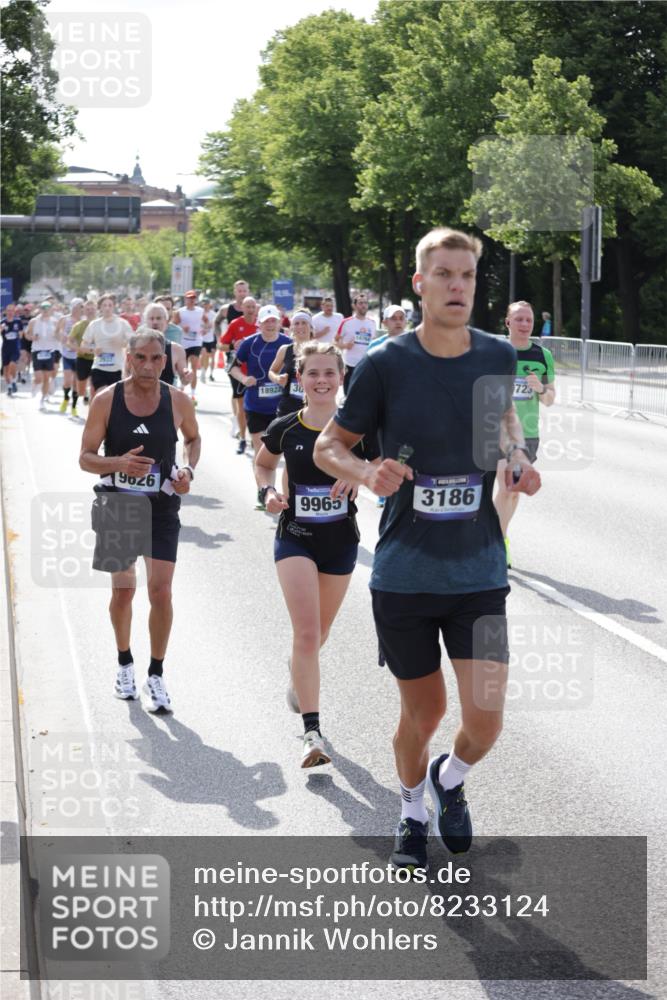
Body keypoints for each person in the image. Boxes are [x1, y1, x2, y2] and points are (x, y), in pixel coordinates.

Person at [314, 226, 541, 873]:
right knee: (425, 710)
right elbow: (330, 445)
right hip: (405, 577)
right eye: (442, 274)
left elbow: (500, 423)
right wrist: (365, 473)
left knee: (486, 718)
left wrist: (515, 457)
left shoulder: (496, 355)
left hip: (479, 571)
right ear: (419, 283)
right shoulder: (385, 363)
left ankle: (448, 778)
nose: (455, 286)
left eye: (466, 276)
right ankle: (411, 809)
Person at [255, 343, 378, 767]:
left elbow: (389, 463)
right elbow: (263, 463)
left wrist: (359, 477)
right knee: (307, 634)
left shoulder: (359, 429)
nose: (321, 380)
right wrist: (267, 491)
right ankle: (313, 734)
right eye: (313, 373)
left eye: (329, 372)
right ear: (299, 378)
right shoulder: (286, 426)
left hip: (341, 541)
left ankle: (297, 673)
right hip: (296, 537)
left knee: (318, 636)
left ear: (342, 377)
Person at [79, 328, 200, 712]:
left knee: (161, 592)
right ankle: (124, 663)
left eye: (156, 358)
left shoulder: (178, 400)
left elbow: (193, 440)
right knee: (124, 592)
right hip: (118, 506)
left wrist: (187, 471)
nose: (149, 365)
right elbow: (85, 457)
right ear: (128, 358)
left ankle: (156, 674)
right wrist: (118, 463)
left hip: (162, 507)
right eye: (141, 357)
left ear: (166, 360)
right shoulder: (106, 400)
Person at [494, 301, 555, 568]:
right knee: (506, 487)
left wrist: (540, 388)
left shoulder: (543, 356)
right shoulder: (496, 353)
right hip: (497, 431)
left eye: (528, 320)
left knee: (514, 491)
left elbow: (551, 399)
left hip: (528, 433)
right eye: (518, 319)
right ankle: (496, 543)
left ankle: (501, 538)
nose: (524, 324)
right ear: (508, 322)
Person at [229, 304, 291, 507]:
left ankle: (285, 493)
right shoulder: (250, 343)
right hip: (255, 405)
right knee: (261, 450)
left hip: (282, 407)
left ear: (279, 322)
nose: (271, 324)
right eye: (267, 321)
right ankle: (264, 492)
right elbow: (233, 368)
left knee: (282, 452)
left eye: (274, 320)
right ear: (259, 324)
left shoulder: (288, 345)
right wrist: (244, 378)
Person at [220, 296, 258, 455]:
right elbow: (221, 346)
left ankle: (257, 438)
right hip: (239, 371)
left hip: (258, 371)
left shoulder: (261, 324)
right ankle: (243, 438)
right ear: (242, 308)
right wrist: (232, 345)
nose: (250, 310)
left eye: (252, 307)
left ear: (256, 308)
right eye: (247, 307)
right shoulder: (235, 324)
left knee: (258, 408)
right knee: (242, 407)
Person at [81, 294, 133, 400]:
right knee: (103, 394)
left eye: (110, 305)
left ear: (114, 307)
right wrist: (93, 350)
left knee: (115, 400)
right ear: (100, 307)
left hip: (117, 368)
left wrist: (122, 344)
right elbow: (83, 345)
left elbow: (133, 343)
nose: (107, 308)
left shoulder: (123, 323)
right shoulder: (94, 324)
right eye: (104, 305)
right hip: (99, 367)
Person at [268, 310, 313, 417]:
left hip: (312, 408)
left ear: (311, 327)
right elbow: (271, 371)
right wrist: (277, 378)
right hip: (288, 407)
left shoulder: (319, 350)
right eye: (297, 323)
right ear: (292, 328)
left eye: (304, 323)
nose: (300, 327)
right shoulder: (285, 350)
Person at [334, 293, 377, 394]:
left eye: (365, 303)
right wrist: (345, 346)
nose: (363, 305)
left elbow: (373, 343)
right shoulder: (346, 322)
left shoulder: (372, 323)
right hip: (350, 365)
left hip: (366, 365)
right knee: (349, 397)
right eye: (360, 303)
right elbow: (334, 341)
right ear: (354, 306)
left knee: (365, 396)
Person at [141, 304, 191, 389]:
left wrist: (187, 376)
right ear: (146, 321)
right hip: (139, 400)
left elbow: (184, 379)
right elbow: (126, 374)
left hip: (166, 400)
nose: (155, 322)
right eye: (151, 318)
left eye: (159, 318)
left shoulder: (176, 349)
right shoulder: (134, 347)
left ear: (166, 321)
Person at [25, 301, 61, 410]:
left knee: (46, 378)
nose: (45, 311)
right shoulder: (33, 321)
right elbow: (26, 334)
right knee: (39, 377)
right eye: (43, 308)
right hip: (37, 351)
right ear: (40, 309)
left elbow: (59, 337)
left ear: (51, 310)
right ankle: (35, 384)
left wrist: (57, 335)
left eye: (47, 308)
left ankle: (42, 399)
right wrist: (32, 338)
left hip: (50, 351)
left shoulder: (55, 322)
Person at [173, 290, 204, 404]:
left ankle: (193, 394)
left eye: (193, 298)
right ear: (185, 299)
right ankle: (182, 388)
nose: (191, 300)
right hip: (184, 342)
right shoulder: (180, 312)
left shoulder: (200, 311)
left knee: (194, 367)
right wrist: (182, 327)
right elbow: (174, 325)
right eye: (189, 298)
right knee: (183, 368)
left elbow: (207, 322)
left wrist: (205, 329)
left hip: (196, 342)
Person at [56, 298, 84, 413]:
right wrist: (61, 336)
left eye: (82, 306)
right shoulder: (65, 319)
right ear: (73, 306)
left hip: (79, 355)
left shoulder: (84, 320)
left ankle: (74, 406)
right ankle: (66, 399)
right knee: (67, 381)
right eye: (79, 306)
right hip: (67, 354)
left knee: (76, 383)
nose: (81, 308)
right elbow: (57, 332)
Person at [69, 300, 98, 411]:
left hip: (97, 359)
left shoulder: (101, 324)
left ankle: (92, 411)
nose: (90, 311)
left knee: (94, 387)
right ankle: (84, 393)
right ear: (83, 311)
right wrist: (79, 349)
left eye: (92, 309)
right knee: (80, 390)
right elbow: (69, 342)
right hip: (82, 359)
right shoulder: (79, 325)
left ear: (96, 309)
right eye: (87, 309)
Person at [1, 303, 23, 396]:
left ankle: (13, 381)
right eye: (8, 311)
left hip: (15, 347)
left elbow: (21, 334)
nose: (10, 312)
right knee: (6, 369)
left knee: (12, 365)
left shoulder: (18, 321)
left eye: (12, 311)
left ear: (14, 312)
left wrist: (18, 336)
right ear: (6, 312)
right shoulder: (2, 322)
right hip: (5, 348)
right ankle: (9, 386)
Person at [199, 298, 217, 383]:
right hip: (202, 339)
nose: (205, 306)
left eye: (206, 304)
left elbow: (213, 325)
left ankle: (211, 373)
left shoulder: (213, 314)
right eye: (203, 304)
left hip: (212, 338)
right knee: (204, 354)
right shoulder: (199, 314)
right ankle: (203, 372)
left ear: (209, 305)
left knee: (212, 357)